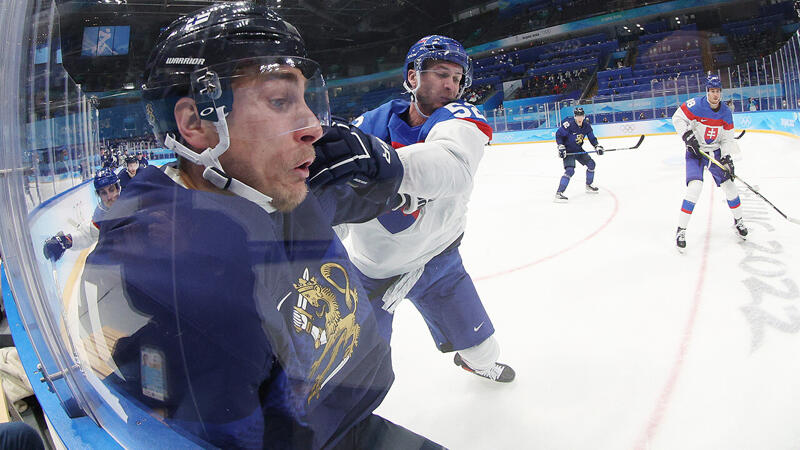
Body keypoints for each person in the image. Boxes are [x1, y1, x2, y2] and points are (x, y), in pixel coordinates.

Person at [78, 4, 441, 449]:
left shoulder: (267, 184)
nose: (312, 125)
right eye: (279, 101)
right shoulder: (179, 274)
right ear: (196, 123)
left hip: (344, 420)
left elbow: (360, 194)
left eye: (306, 99)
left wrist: (384, 169)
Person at [339, 35, 515, 383]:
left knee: (483, 349)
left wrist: (373, 167)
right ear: (412, 77)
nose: (451, 85)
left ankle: (475, 362)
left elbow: (451, 166)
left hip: (438, 260)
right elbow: (337, 202)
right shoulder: (369, 125)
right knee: (352, 367)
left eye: (456, 77)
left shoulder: (462, 118)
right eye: (440, 73)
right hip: (373, 271)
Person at [672, 74, 747, 252]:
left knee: (730, 187)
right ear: (707, 91)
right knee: (694, 188)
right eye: (712, 91)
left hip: (715, 152)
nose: (715, 95)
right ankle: (680, 230)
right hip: (696, 152)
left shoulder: (726, 112)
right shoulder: (695, 105)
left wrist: (727, 158)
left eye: (718, 91)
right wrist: (687, 135)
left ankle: (739, 221)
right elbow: (677, 118)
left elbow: (728, 138)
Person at [42, 169, 120, 262]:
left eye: (111, 190)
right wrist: (67, 241)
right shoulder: (101, 214)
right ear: (99, 195)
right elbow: (89, 235)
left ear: (118, 188)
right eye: (103, 193)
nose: (109, 197)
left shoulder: (133, 200)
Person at [554, 106, 604, 202]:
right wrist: (560, 146)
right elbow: (559, 135)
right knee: (570, 171)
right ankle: (559, 194)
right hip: (568, 151)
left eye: (581, 115)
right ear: (574, 116)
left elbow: (592, 137)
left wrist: (597, 146)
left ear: (584, 116)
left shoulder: (587, 126)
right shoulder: (568, 125)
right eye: (577, 116)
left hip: (578, 149)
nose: (579, 118)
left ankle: (588, 185)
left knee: (591, 164)